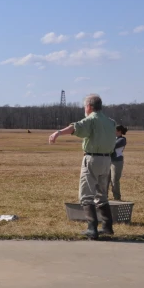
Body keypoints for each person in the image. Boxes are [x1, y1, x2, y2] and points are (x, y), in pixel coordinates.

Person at [49, 94, 117, 239]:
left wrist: (58, 133)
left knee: (86, 195)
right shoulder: (111, 122)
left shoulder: (91, 119)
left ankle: (92, 229)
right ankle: (107, 226)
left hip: (92, 159)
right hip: (107, 161)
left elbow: (75, 127)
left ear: (89, 107)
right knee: (102, 195)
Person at [110, 125, 128, 201]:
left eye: (115, 130)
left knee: (114, 180)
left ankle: (117, 198)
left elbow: (112, 146)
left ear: (119, 131)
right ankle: (104, 197)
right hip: (109, 161)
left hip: (117, 161)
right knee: (106, 180)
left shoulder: (122, 140)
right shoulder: (113, 138)